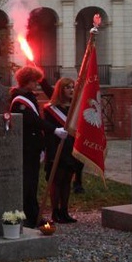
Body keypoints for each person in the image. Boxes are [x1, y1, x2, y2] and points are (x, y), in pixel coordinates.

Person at [10, 65, 66, 228]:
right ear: (27, 82)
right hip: (25, 148)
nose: (36, 85)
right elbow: (31, 120)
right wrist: (53, 129)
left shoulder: (28, 96)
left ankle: (34, 215)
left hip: (33, 148)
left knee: (33, 183)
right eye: (34, 81)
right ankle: (25, 216)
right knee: (26, 183)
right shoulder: (19, 100)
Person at [42, 78, 83, 223]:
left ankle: (65, 211)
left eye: (73, 87)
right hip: (57, 148)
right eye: (67, 87)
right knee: (57, 181)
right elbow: (48, 131)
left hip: (71, 149)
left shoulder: (74, 108)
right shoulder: (50, 109)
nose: (71, 90)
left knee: (67, 180)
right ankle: (55, 212)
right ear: (61, 89)